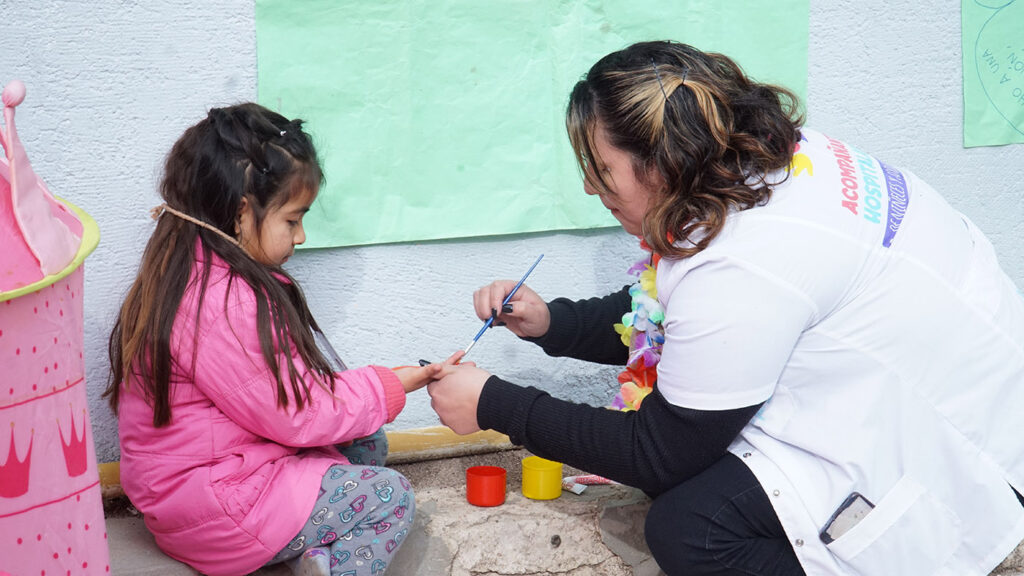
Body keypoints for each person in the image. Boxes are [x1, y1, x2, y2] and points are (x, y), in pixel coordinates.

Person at [427, 41, 1024, 575]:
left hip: (955, 446)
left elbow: (658, 452)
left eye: (602, 171)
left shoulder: (745, 259)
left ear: (662, 164)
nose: (590, 187)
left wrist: (494, 404)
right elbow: (675, 317)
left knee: (692, 528)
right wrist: (553, 323)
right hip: (948, 381)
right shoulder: (769, 166)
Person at [105, 103, 434, 576]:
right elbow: (298, 413)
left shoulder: (192, 271)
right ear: (242, 212)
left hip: (213, 480)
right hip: (219, 508)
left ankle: (312, 554)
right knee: (390, 497)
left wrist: (372, 398)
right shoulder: (223, 304)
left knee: (366, 440)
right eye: (292, 220)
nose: (301, 236)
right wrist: (391, 386)